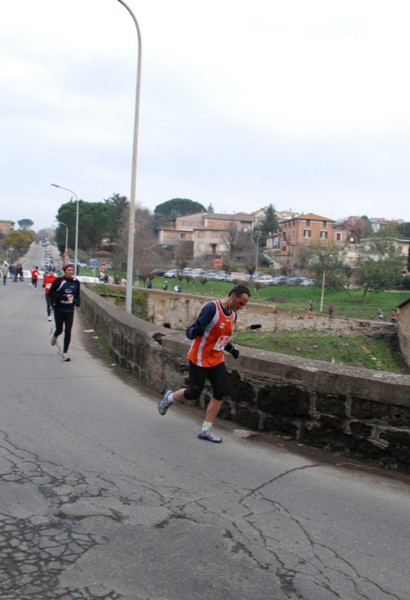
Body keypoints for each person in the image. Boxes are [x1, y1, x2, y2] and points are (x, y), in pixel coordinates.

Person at [158, 284, 251, 443]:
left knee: (219, 392)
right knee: (193, 393)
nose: (242, 307)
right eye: (241, 303)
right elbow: (191, 331)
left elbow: (221, 339)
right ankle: (169, 398)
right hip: (200, 358)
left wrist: (231, 349)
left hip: (217, 359)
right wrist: (195, 332)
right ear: (233, 296)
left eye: (244, 305)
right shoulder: (212, 308)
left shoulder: (233, 316)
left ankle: (206, 430)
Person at [49, 263, 81, 362]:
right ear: (64, 271)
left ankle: (65, 352)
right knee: (60, 329)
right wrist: (62, 297)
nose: (70, 272)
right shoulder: (59, 281)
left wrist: (77, 302)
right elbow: (51, 293)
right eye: (68, 270)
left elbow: (77, 294)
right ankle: (55, 335)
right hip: (59, 309)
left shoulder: (76, 282)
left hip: (70, 310)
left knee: (68, 331)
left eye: (72, 270)